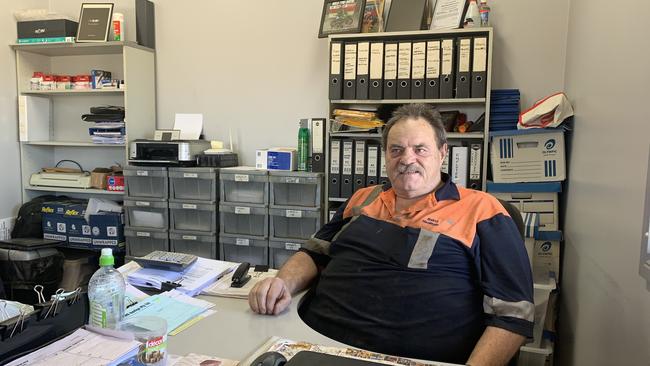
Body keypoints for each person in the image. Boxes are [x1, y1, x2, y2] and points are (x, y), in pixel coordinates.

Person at [249, 103, 534, 365]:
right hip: (314, 347)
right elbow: (314, 252)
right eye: (396, 150)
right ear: (385, 154)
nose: (406, 159)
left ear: (442, 152)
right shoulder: (363, 198)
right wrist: (282, 283)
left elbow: (513, 315)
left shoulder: (482, 210)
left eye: (420, 149)